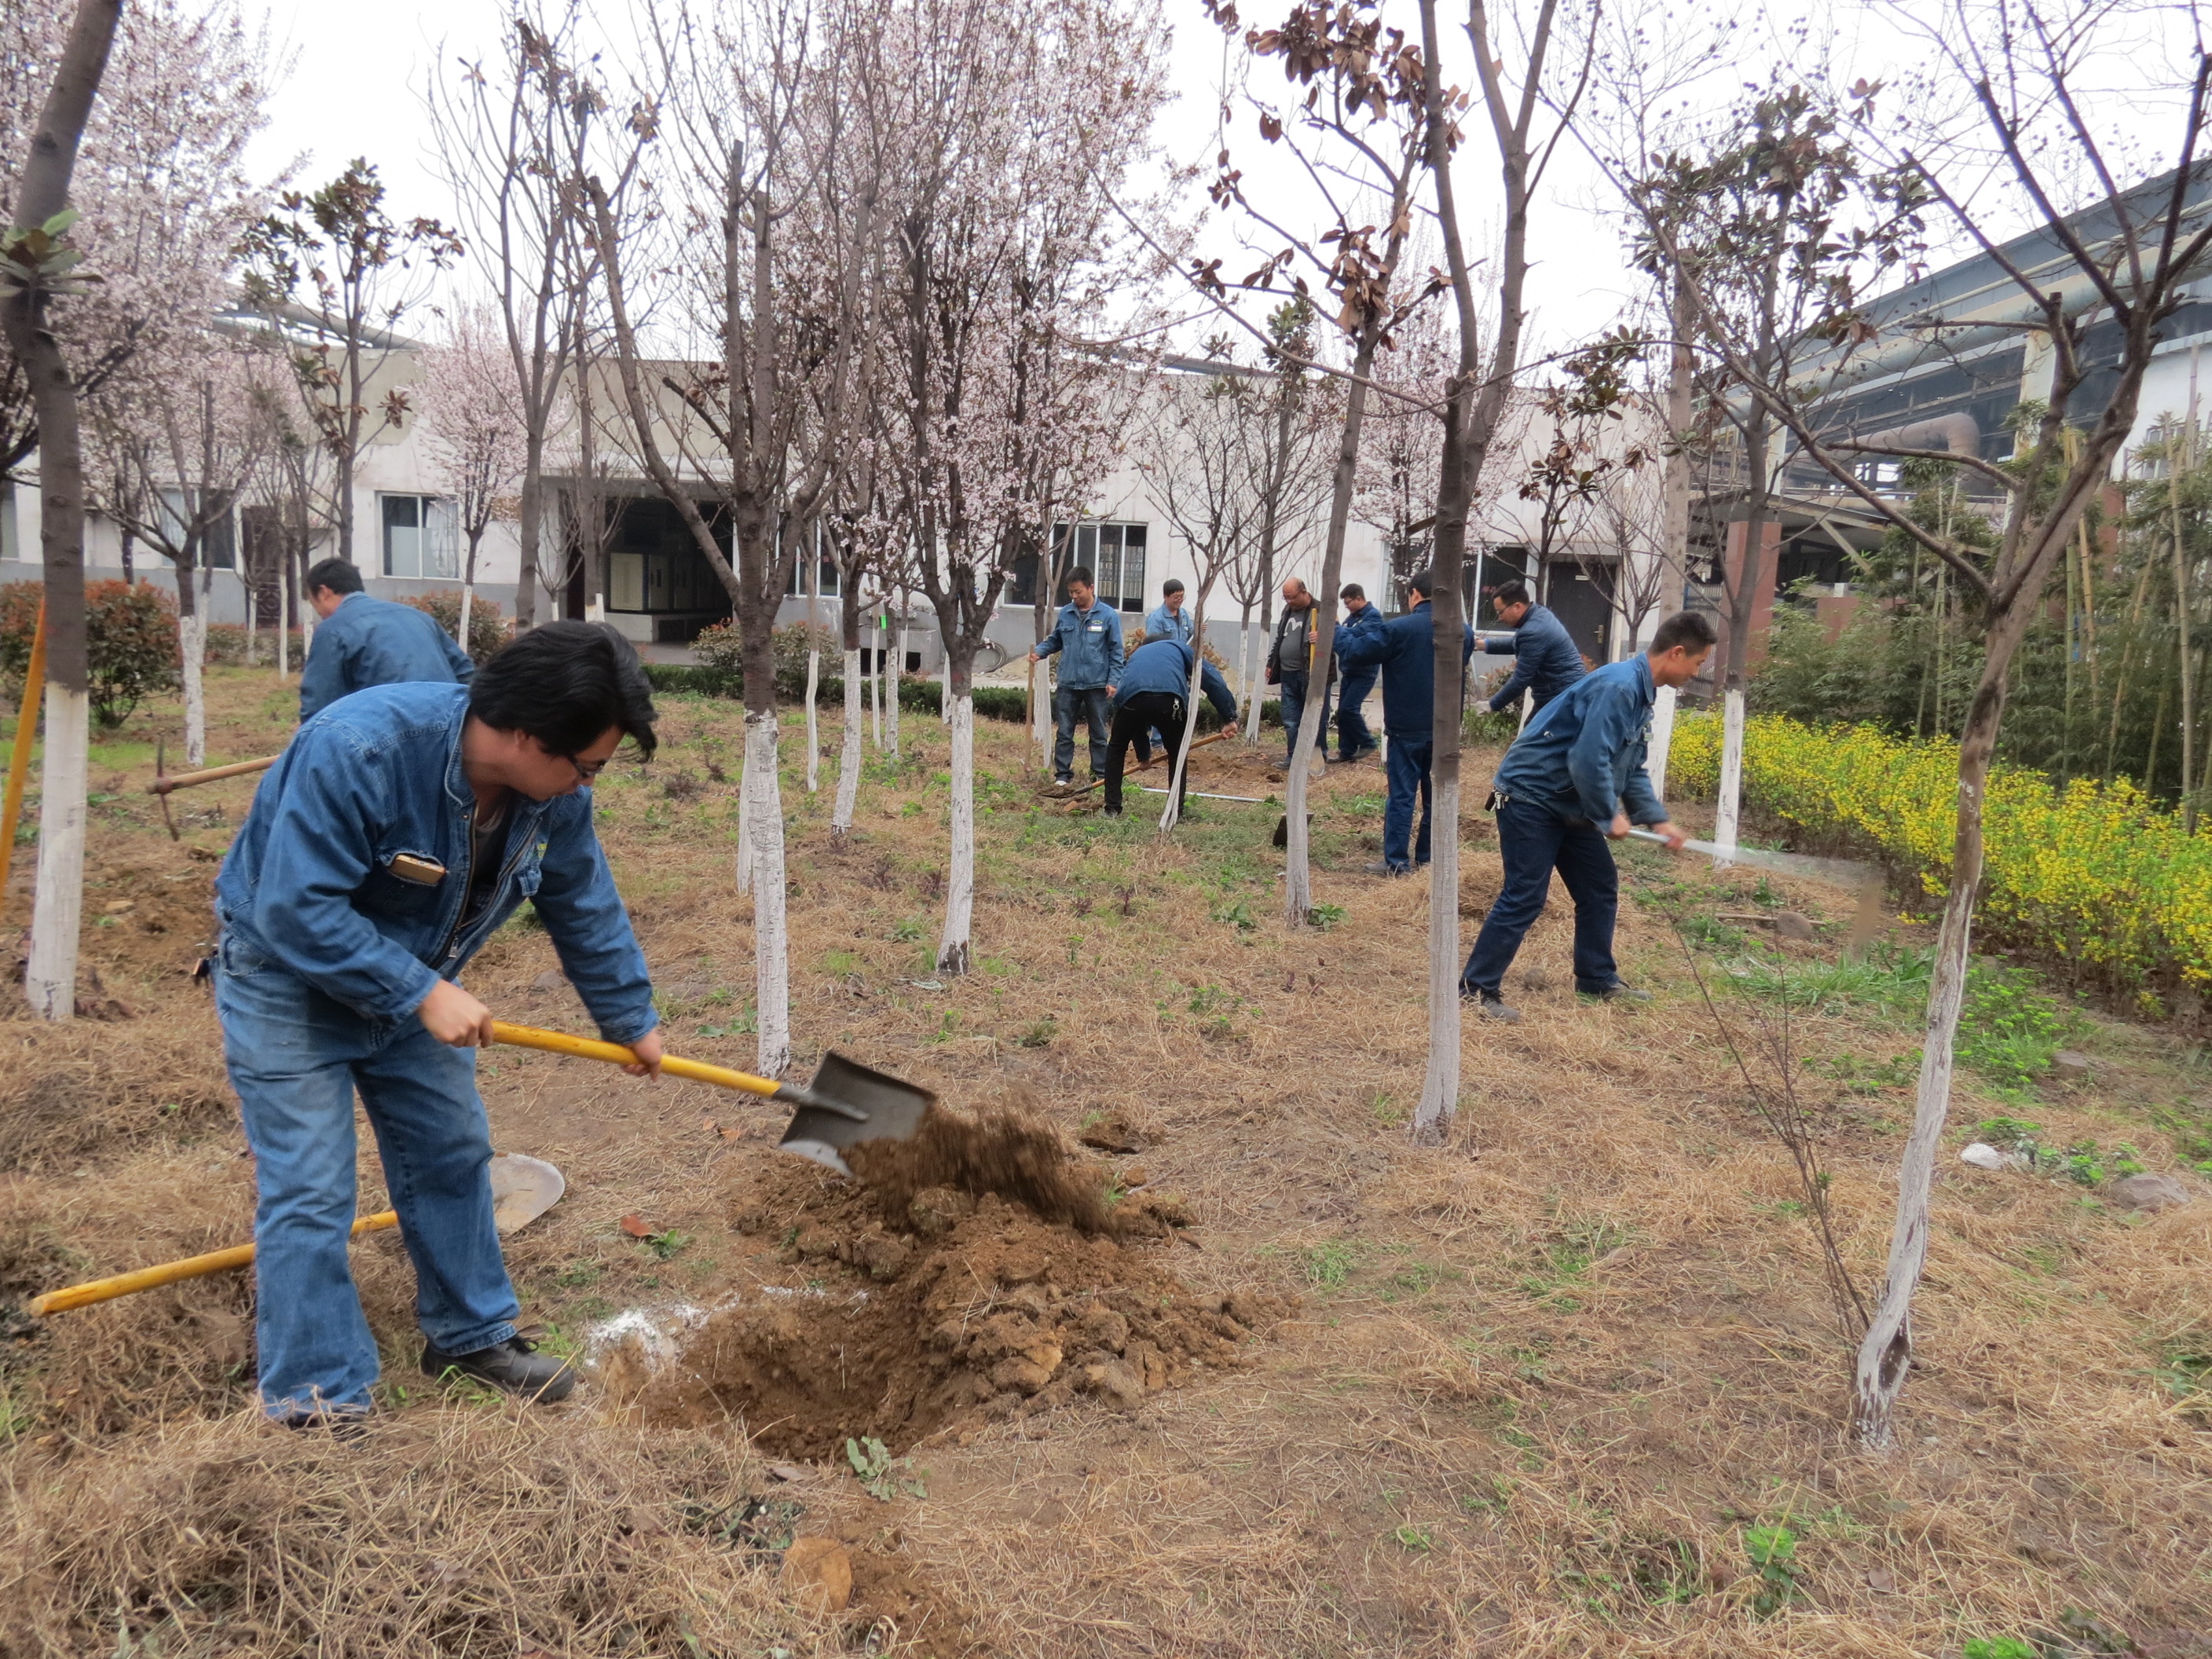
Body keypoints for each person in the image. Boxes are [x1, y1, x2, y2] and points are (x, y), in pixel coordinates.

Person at [212, 621, 665, 1425]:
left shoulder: (550, 800)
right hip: (285, 979)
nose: (589, 783)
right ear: (527, 735)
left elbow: (580, 899)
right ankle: (317, 1396)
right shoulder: (359, 750)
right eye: (586, 764)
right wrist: (418, 991)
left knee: (451, 1154)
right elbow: (292, 905)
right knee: (313, 1189)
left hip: (417, 983)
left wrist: (627, 1015)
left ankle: (469, 1338)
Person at [1459, 608, 1717, 1023]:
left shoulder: (1640, 694)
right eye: (1698, 663)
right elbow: (1587, 759)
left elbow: (1630, 767)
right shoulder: (1619, 688)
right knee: (1526, 895)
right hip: (1532, 798)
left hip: (1568, 802)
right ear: (1677, 653)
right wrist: (1606, 814)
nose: (1696, 671)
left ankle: (1596, 978)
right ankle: (1476, 989)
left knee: (1599, 887)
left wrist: (1657, 819)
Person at [1334, 568, 1474, 876]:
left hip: (1405, 727)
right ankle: (1428, 858)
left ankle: (1396, 862)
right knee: (1435, 796)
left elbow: (1356, 653)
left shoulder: (1400, 629)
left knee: (1402, 796)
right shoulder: (1463, 631)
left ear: (1415, 594)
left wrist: (1336, 631)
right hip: (1445, 730)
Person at [298, 557, 478, 722]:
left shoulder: (333, 629)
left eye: (315, 605)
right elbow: (466, 674)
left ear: (323, 592)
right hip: (448, 726)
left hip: (391, 733)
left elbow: (319, 706)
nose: (319, 613)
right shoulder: (418, 617)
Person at [1102, 637, 1236, 815]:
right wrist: (1229, 717)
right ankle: (1174, 811)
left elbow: (1137, 714)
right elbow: (1212, 680)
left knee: (1116, 749)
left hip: (1130, 700)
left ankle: (1112, 809)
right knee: (1177, 753)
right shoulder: (1180, 647)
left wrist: (1144, 757)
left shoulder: (1137, 655)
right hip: (1169, 701)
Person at [1029, 566, 1126, 789]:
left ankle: (1100, 773)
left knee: (1099, 732)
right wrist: (1040, 652)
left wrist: (1113, 680)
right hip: (1068, 683)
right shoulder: (1067, 613)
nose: (1074, 597)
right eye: (1071, 592)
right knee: (1064, 731)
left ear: (1091, 587)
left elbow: (1116, 651)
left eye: (1078, 592)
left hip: (1097, 684)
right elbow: (1056, 640)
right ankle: (1063, 773)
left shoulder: (1108, 616)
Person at [1478, 580, 1585, 720]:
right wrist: (1483, 644)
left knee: (1530, 741)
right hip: (1562, 694)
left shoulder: (1533, 631)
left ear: (1517, 606)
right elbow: (1519, 643)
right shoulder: (1538, 614)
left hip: (1562, 699)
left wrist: (1491, 705)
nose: (1499, 618)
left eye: (1500, 612)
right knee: (1531, 737)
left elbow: (1520, 680)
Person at [1265, 578, 1329, 766]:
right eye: (1285, 598)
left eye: (1292, 597)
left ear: (1304, 592)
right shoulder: (1288, 611)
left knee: (1316, 716)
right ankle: (1293, 756)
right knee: (1291, 718)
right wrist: (1272, 661)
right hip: (1287, 673)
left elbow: (1339, 635)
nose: (1289, 602)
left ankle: (1317, 757)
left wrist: (1323, 636)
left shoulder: (1323, 609)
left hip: (1312, 674)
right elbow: (1280, 637)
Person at [1334, 582, 1384, 763]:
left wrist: (1338, 627)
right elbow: (1345, 638)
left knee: (1349, 708)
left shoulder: (1373, 617)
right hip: (1349, 670)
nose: (1346, 606)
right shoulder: (1351, 617)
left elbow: (1355, 635)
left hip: (1365, 672)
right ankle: (1347, 752)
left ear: (1359, 598)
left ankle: (1367, 742)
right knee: (1342, 712)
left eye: (1348, 602)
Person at [1143, 578, 1195, 647]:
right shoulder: (1156, 618)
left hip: (1182, 655)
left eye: (1182, 597)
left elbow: (1191, 634)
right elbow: (1153, 646)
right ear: (1165, 596)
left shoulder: (1184, 614)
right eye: (1176, 597)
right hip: (1167, 656)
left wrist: (1199, 630)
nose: (1180, 600)